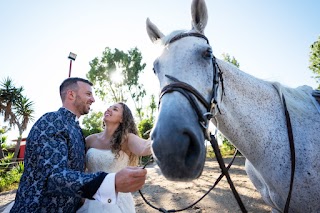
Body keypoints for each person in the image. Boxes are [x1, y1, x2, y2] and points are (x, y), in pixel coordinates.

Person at [6, 77, 148, 213]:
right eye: (88, 94)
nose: (93, 99)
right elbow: (53, 175)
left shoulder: (77, 130)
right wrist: (111, 182)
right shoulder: (52, 120)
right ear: (71, 95)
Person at [76, 102, 152, 213]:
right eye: (109, 107)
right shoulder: (90, 140)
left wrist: (162, 127)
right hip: (91, 199)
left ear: (122, 119)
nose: (109, 109)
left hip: (117, 202)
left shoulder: (127, 139)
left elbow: (145, 147)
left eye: (115, 109)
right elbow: (79, 171)